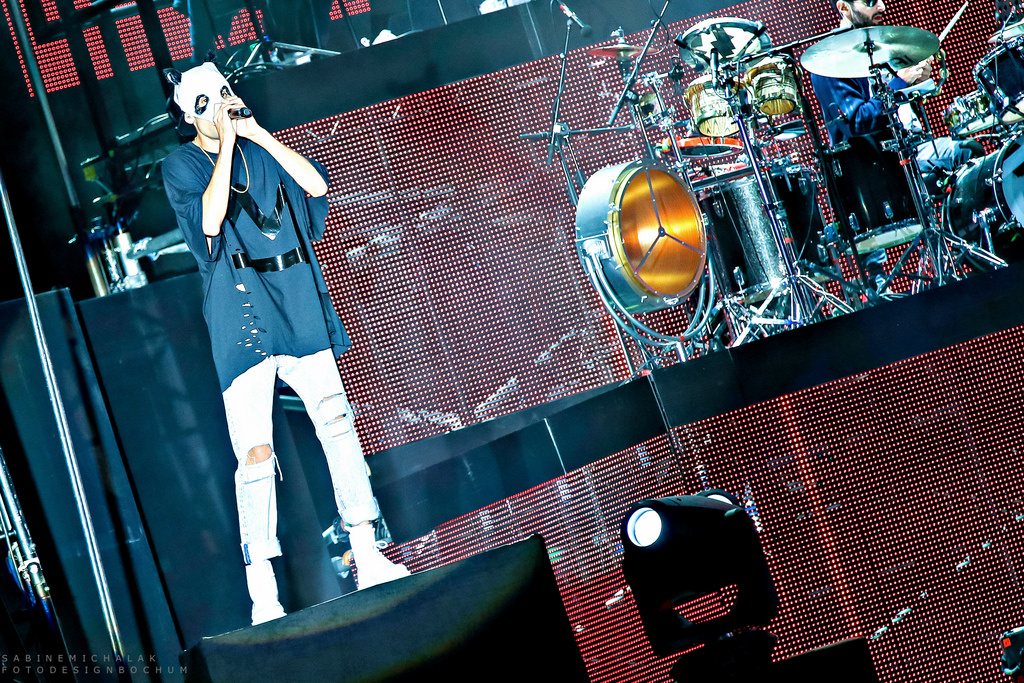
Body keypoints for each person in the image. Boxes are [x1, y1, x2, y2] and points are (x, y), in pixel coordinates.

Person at [161, 61, 410, 626]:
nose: (222, 105)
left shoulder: (258, 148)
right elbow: (209, 221)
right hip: (241, 312)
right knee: (255, 453)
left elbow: (317, 187)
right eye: (208, 101)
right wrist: (227, 145)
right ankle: (263, 593)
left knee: (336, 421)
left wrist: (255, 133)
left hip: (295, 298)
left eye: (225, 93)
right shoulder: (181, 165)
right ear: (190, 114)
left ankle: (367, 551)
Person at [809, 0, 982, 196]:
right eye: (870, 1)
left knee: (971, 151)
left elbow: (899, 108)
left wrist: (915, 84)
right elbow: (856, 122)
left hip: (909, 146)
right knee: (967, 154)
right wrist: (900, 82)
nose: (882, 6)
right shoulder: (828, 63)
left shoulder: (880, 47)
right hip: (876, 166)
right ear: (844, 7)